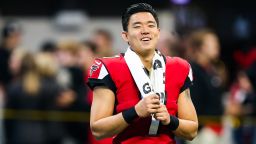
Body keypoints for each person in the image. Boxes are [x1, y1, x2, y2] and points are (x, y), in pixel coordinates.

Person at [87, 3, 198, 144]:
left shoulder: (179, 67)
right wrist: (135, 112)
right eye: (137, 26)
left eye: (150, 25)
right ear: (125, 36)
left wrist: (170, 120)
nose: (145, 30)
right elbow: (98, 130)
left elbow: (192, 131)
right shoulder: (109, 67)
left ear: (158, 32)